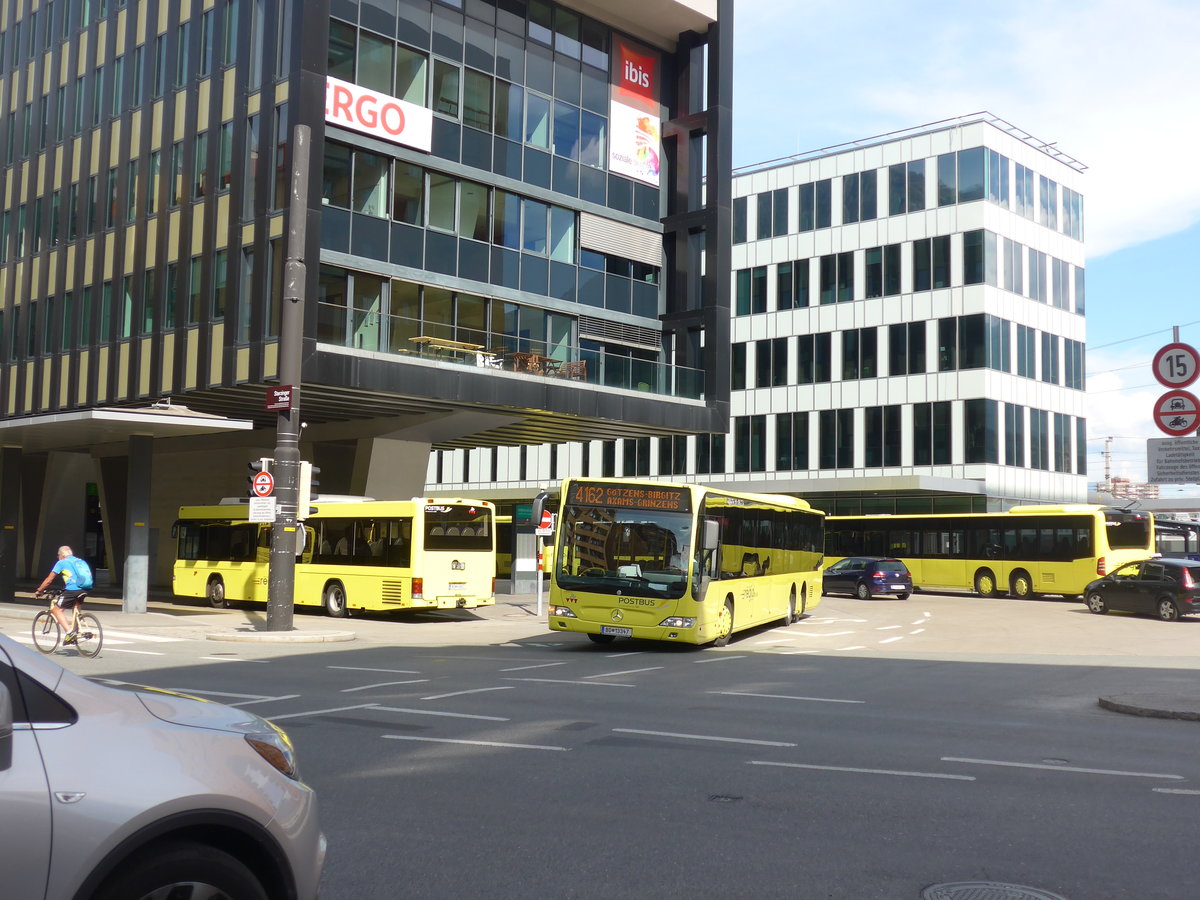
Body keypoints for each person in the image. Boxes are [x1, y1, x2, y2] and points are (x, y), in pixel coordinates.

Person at [35, 545, 95, 645]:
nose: (58, 557)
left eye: (58, 555)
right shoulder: (79, 561)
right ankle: (74, 633)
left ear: (62, 555)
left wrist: (39, 590)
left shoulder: (62, 562)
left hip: (72, 590)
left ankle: (69, 632)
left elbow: (49, 580)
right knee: (72, 607)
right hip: (84, 589)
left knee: (55, 609)